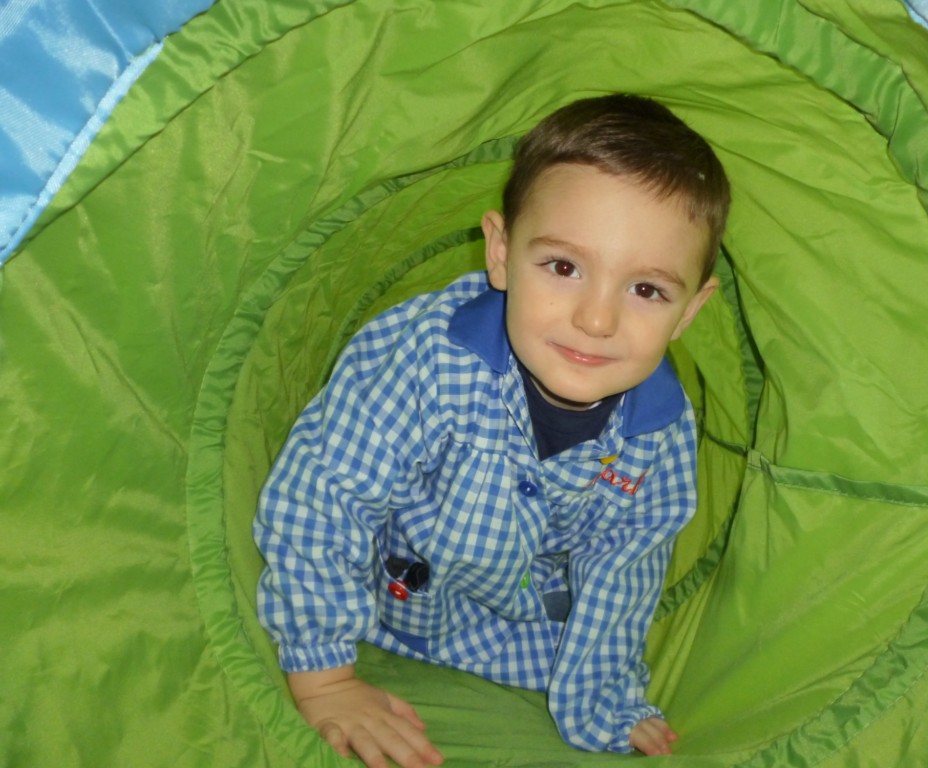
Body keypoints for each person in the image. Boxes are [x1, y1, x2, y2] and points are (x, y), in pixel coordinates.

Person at [254, 93, 730, 768]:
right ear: (501, 254)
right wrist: (325, 678)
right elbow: (324, 496)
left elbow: (624, 571)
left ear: (689, 310)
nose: (596, 320)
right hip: (390, 598)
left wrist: (607, 703)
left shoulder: (660, 429)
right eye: (564, 267)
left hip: (526, 638)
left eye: (646, 290)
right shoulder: (426, 357)